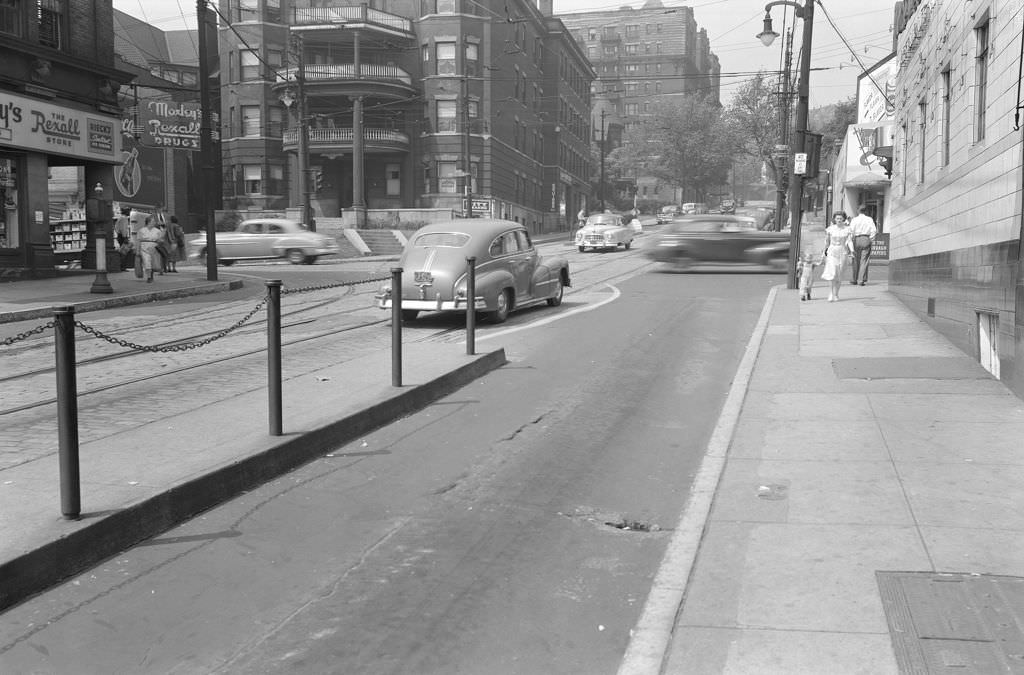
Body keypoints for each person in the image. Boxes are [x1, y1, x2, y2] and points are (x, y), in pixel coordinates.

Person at [819, 211, 854, 302]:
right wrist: (823, 252)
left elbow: (849, 241)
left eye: (840, 218)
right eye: (837, 218)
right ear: (834, 219)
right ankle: (831, 293)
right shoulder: (830, 229)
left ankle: (836, 294)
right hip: (832, 252)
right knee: (832, 273)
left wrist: (852, 251)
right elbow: (826, 242)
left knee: (839, 275)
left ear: (843, 219)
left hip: (842, 252)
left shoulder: (847, 229)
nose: (839, 220)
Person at [848, 205, 878, 286]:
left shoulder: (854, 219)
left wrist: (850, 241)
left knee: (855, 260)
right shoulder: (869, 219)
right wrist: (871, 239)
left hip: (856, 239)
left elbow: (851, 231)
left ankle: (854, 279)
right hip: (866, 238)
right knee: (864, 260)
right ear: (866, 211)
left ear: (858, 210)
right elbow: (873, 230)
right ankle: (861, 280)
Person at [136, 215, 164, 283]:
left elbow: (161, 240)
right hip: (144, 249)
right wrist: (137, 251)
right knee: (147, 262)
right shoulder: (141, 230)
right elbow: (138, 241)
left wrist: (160, 241)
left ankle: (151, 275)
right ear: (148, 222)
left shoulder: (157, 231)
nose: (154, 223)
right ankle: (149, 277)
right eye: (153, 221)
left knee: (153, 263)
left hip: (154, 249)